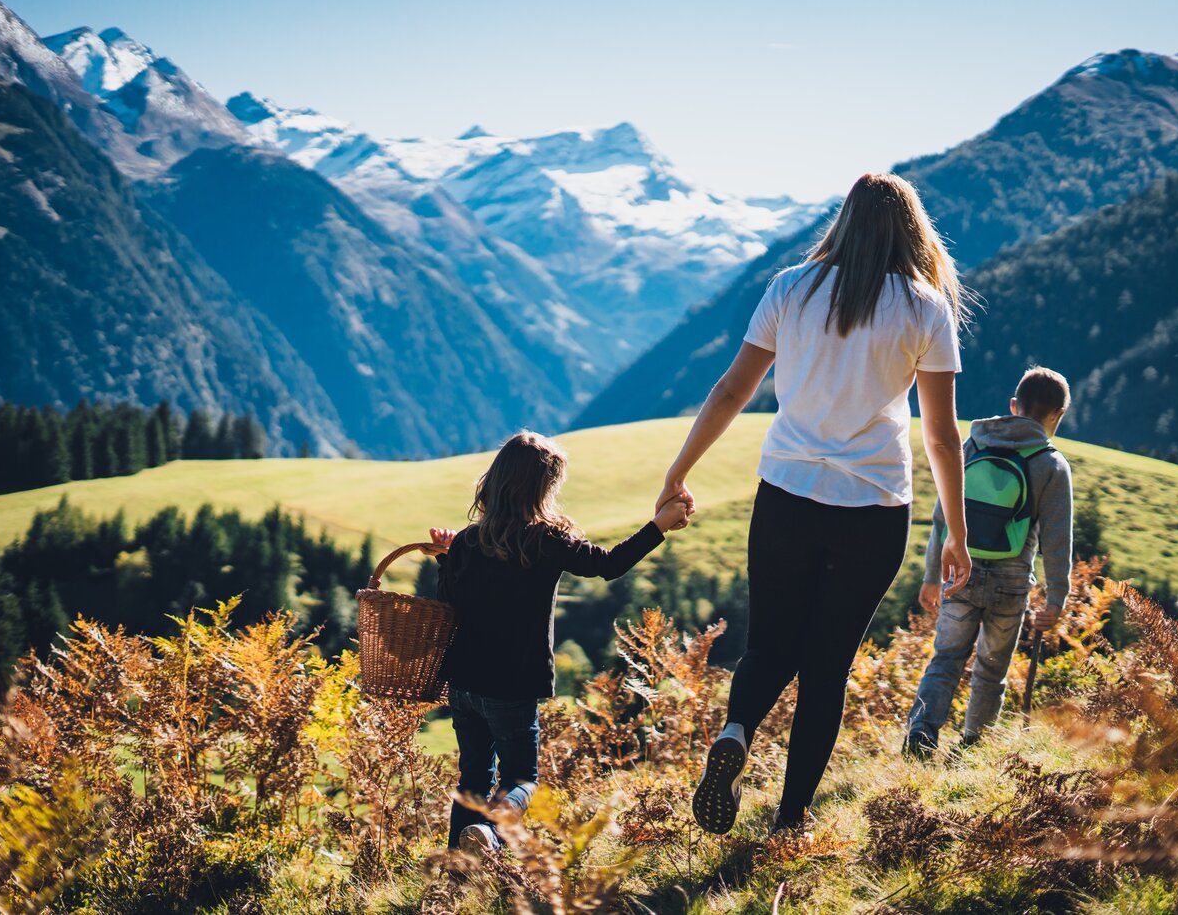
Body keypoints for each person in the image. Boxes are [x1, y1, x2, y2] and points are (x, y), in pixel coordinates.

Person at [655, 173, 973, 838]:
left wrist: (678, 473)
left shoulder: (790, 288)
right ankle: (790, 820)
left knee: (769, 643)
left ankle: (737, 731)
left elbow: (730, 391)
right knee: (828, 667)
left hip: (786, 497)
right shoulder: (924, 308)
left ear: (843, 222)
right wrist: (956, 535)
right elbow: (941, 436)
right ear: (912, 231)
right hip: (875, 505)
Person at [430, 431, 690, 855]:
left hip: (463, 683)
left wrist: (446, 556)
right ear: (543, 488)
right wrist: (658, 526)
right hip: (510, 685)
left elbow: (448, 602)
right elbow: (609, 565)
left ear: (496, 480)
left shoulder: (467, 540)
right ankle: (492, 836)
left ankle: (458, 868)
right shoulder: (546, 540)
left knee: (472, 779)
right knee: (522, 779)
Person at [904, 367, 1074, 758]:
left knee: (945, 659)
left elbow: (942, 517)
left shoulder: (972, 446)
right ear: (1057, 417)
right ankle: (973, 746)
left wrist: (932, 576)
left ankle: (921, 734)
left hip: (958, 574)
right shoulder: (1051, 464)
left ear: (1013, 406)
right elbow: (1057, 540)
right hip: (1011, 584)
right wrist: (1056, 599)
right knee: (991, 669)